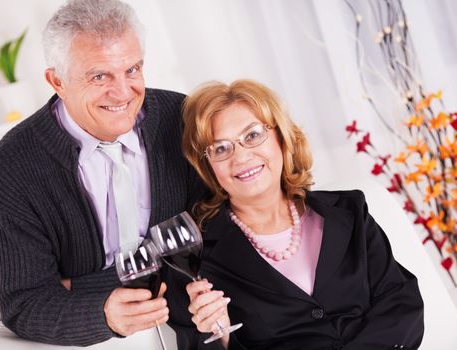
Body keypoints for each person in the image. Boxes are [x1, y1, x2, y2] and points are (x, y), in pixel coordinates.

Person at [0, 0, 204, 346]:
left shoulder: (183, 118)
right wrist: (103, 311)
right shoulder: (13, 167)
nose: (122, 92)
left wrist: (80, 284)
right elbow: (23, 302)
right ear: (57, 81)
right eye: (100, 76)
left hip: (197, 316)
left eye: (132, 69)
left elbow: (220, 230)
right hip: (96, 335)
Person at [166, 79, 424, 349]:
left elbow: (402, 305)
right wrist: (223, 338)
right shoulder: (194, 261)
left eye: (252, 135)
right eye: (221, 148)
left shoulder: (350, 211)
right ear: (208, 167)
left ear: (281, 136)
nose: (241, 157)